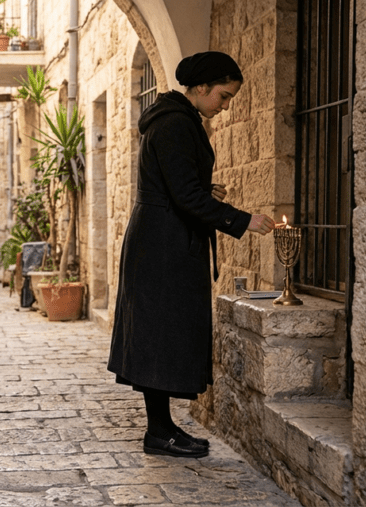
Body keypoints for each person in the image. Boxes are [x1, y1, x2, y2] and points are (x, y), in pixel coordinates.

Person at [107, 52, 275, 459]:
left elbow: (178, 186)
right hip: (164, 244)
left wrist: (205, 190)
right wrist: (242, 220)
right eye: (223, 95)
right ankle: (159, 433)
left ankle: (162, 429)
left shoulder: (175, 120)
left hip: (163, 238)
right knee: (161, 335)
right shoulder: (175, 124)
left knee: (162, 334)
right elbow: (182, 196)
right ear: (200, 88)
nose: (225, 104)